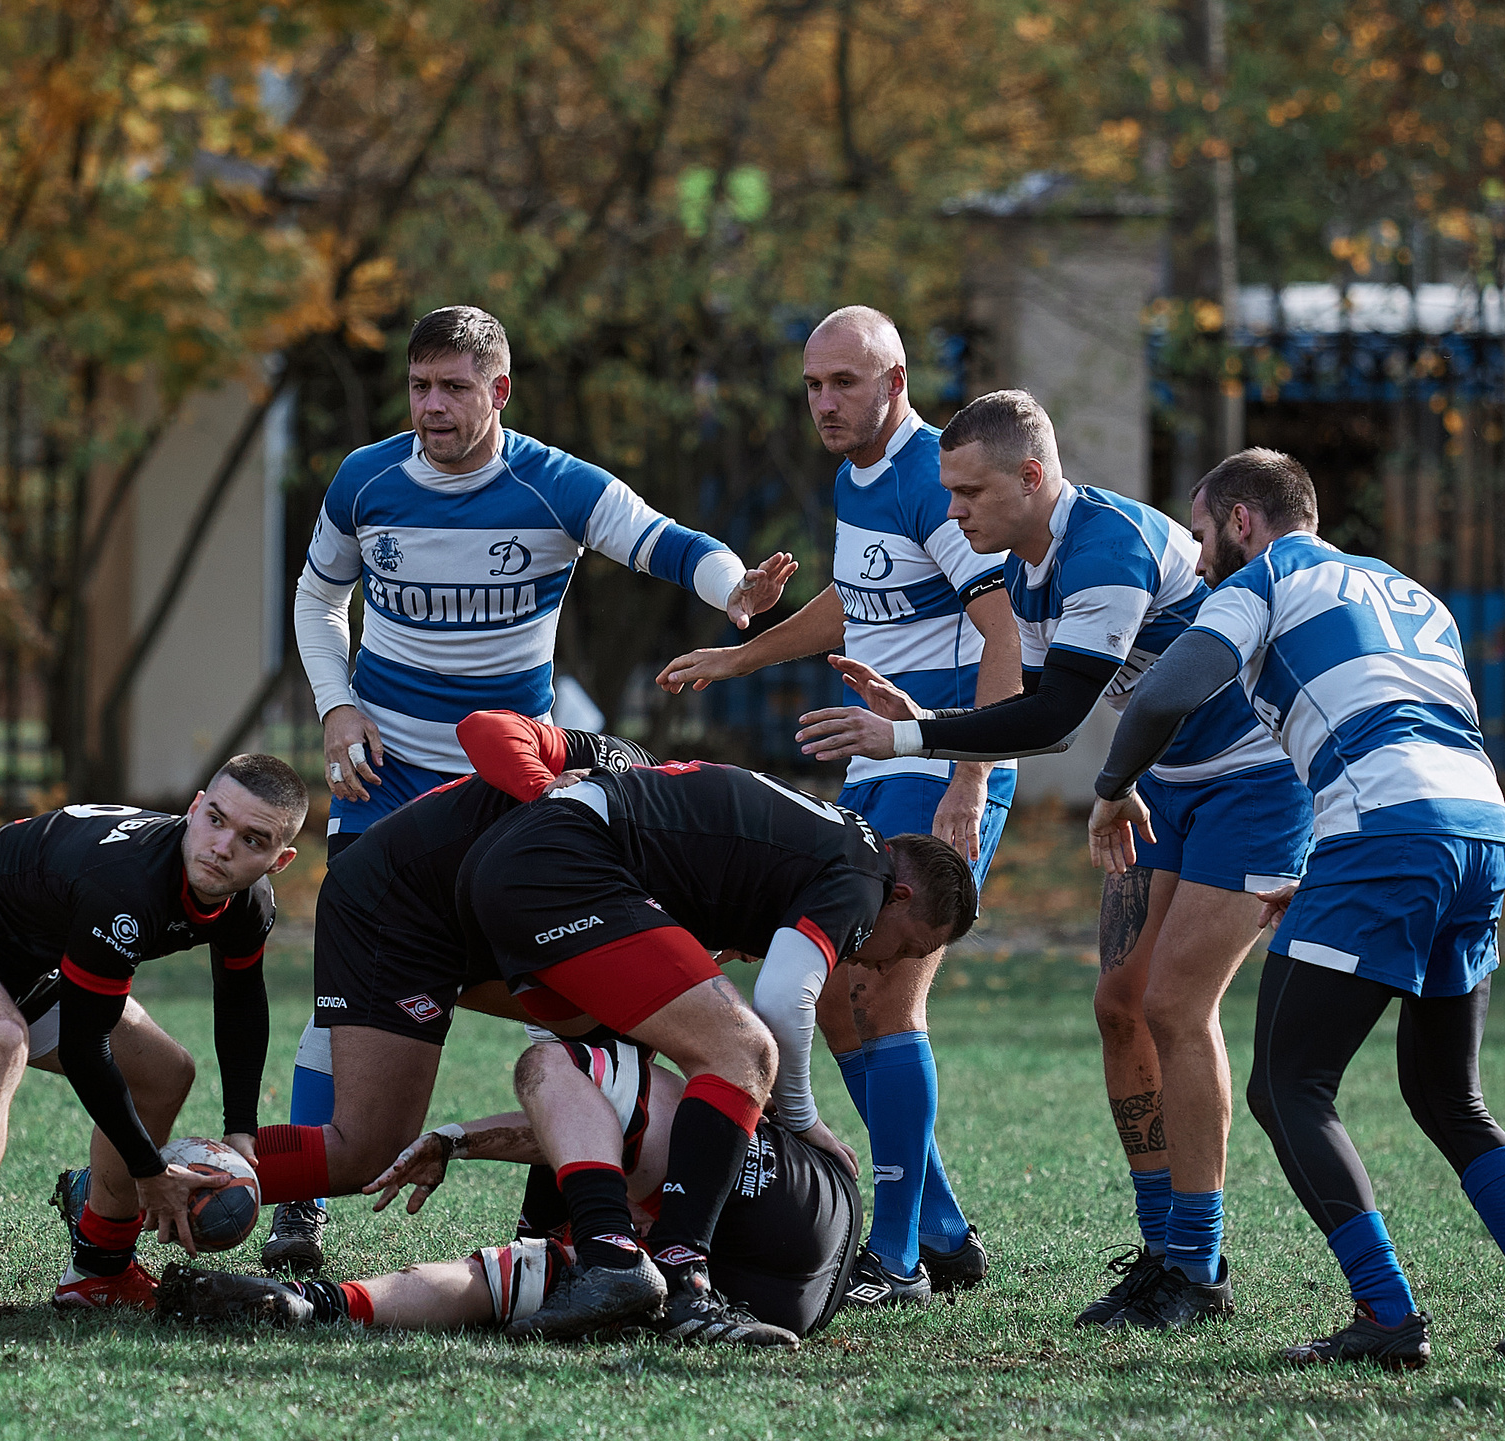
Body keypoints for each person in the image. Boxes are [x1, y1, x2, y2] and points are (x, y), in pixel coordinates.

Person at [274, 304, 795, 1272]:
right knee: (347, 990)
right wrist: (337, 706)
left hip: (506, 788)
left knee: (579, 992)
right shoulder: (365, 479)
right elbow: (317, 596)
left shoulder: (554, 484)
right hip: (385, 779)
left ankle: (568, 1201)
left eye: (453, 387)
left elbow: (667, 542)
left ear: (500, 390)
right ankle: (296, 1210)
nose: (431, 406)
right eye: (419, 386)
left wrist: (731, 590)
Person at [796, 390, 1313, 1331]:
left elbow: (1056, 718)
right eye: (948, 493)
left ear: (1032, 478)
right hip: (1164, 787)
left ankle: (1197, 1266)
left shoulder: (1104, 546)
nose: (954, 512)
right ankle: (1162, 1252)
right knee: (1120, 1007)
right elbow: (1029, 707)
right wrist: (925, 716)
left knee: (1172, 1007)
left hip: (1255, 784)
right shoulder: (1027, 566)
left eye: (970, 493)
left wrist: (910, 738)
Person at [1085, 449, 1505, 1370]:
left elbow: (1165, 690)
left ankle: (1386, 1313)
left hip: (1384, 838)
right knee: (1450, 1097)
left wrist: (1114, 787)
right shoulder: (1410, 592)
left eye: (1201, 534)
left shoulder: (1265, 579)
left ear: (1242, 521)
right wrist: (1345, 866)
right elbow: (1404, 722)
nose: (1197, 559)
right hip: (1479, 831)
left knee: (1289, 1087)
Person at [654, 307, 1021, 1308]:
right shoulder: (855, 476)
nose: (825, 401)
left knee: (883, 1000)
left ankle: (897, 1256)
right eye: (814, 384)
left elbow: (1005, 638)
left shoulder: (935, 479)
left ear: (895, 382)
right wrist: (741, 654)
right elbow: (854, 598)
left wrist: (969, 776)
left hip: (940, 762)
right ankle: (938, 1230)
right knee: (836, 1004)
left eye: (845, 383)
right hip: (877, 763)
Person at [456, 755, 979, 1344]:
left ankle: (556, 1247)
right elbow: (783, 998)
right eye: (906, 948)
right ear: (899, 896)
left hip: (518, 857)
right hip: (565, 861)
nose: (884, 966)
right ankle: (683, 1280)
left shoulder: (834, 844)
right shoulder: (865, 878)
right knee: (744, 1052)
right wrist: (802, 1118)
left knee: (609, 1066)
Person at [0, 757, 304, 1329]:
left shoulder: (249, 902)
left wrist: (241, 1126)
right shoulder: (127, 882)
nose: (222, 847)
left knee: (165, 1073)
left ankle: (101, 1271)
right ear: (194, 809)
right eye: (215, 820)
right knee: (1, 1039)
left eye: (252, 839)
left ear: (279, 860)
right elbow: (85, 1047)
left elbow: (241, 1000)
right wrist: (149, 1170)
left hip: (36, 966)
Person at [155, 1035, 862, 1343]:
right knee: (506, 1280)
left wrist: (457, 1138)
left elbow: (583, 1114)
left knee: (556, 1063)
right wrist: (455, 1141)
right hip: (790, 1287)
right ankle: (313, 1305)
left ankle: (622, 1258)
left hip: (782, 1211)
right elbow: (580, 1130)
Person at [241, 712, 654, 1223]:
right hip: (396, 907)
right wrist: (545, 791)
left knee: (618, 1041)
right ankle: (181, 1175)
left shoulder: (688, 861)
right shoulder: (627, 772)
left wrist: (457, 1140)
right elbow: (484, 728)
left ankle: (555, 1234)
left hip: (475, 920)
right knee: (368, 1150)